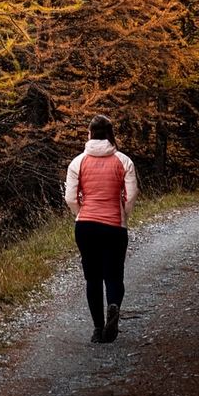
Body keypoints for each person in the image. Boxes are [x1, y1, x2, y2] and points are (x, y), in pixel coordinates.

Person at [64, 113, 138, 344]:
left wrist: (81, 214)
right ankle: (113, 305)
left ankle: (97, 329)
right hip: (114, 225)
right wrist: (123, 213)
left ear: (89, 134)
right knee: (114, 274)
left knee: (92, 278)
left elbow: (70, 197)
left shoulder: (78, 162)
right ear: (110, 134)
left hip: (86, 226)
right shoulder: (124, 161)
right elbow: (132, 193)